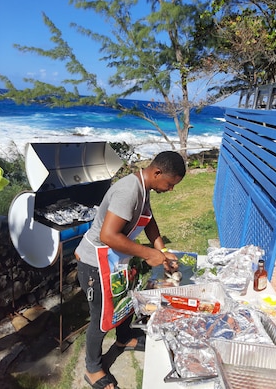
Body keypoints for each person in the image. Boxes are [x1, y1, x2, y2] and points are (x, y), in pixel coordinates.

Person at [75, 150, 186, 389]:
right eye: (169, 184)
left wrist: (163, 251)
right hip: (96, 264)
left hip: (116, 260)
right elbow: (108, 235)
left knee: (125, 303)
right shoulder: (129, 190)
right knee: (101, 318)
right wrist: (149, 254)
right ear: (157, 172)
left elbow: (149, 221)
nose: (170, 189)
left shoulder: (144, 188)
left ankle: (124, 339)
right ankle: (92, 368)